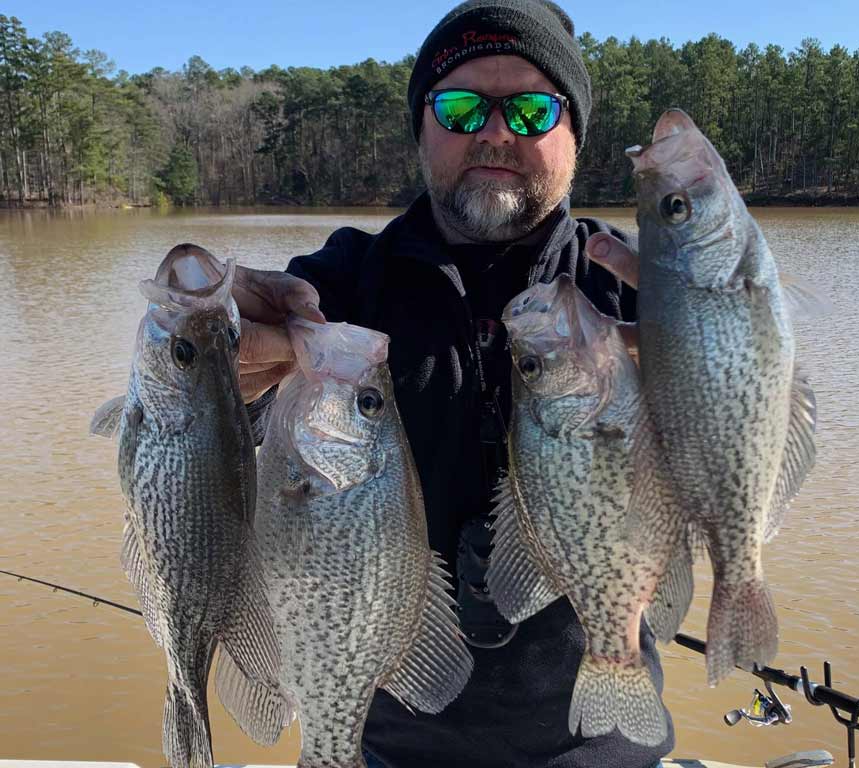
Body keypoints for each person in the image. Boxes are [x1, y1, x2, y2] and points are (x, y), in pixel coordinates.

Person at [234, 1, 670, 766]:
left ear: (574, 137)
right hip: (384, 742)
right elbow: (220, 454)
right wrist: (211, 364)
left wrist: (731, 342)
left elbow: (742, 468)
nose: (494, 132)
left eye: (532, 108)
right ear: (422, 127)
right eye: (461, 105)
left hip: (599, 740)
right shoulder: (333, 294)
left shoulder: (643, 288)